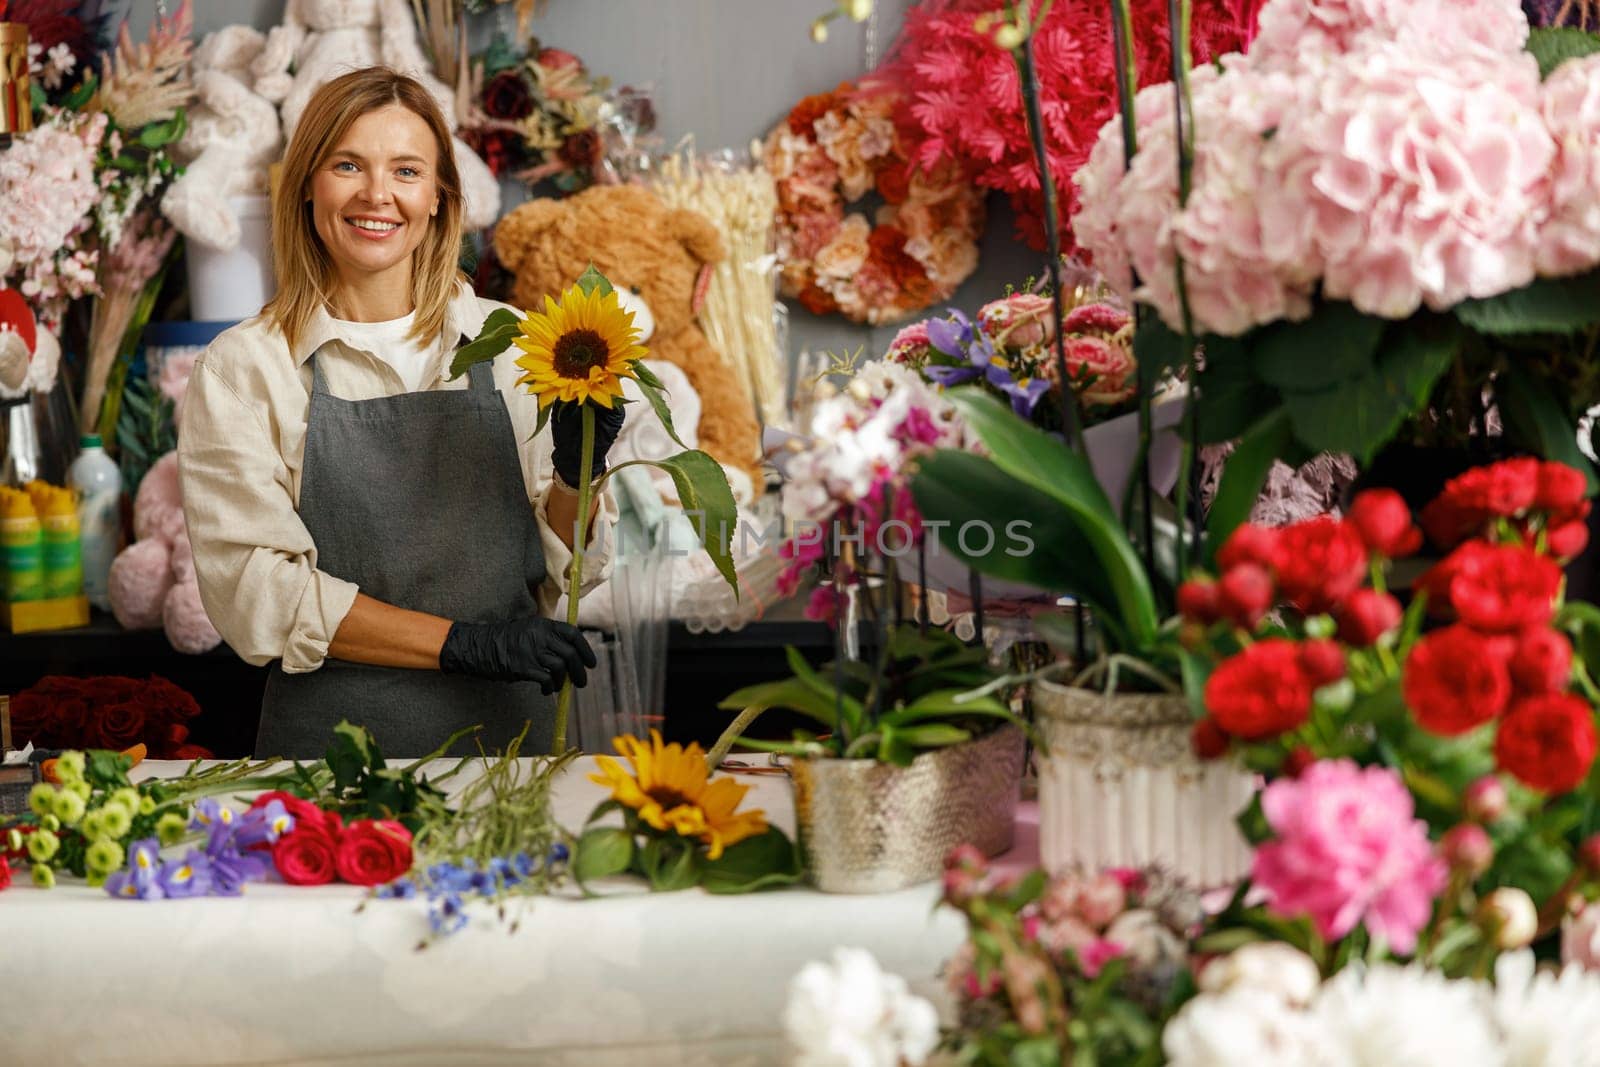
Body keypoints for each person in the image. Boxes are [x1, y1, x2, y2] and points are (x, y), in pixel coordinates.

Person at [178, 67, 624, 758]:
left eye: (407, 170)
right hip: (330, 773)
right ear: (306, 185)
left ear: (441, 198)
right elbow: (257, 593)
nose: (377, 194)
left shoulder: (514, 347)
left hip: (511, 763)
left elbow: (567, 575)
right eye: (347, 164)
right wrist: (463, 644)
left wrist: (577, 476)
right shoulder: (245, 370)